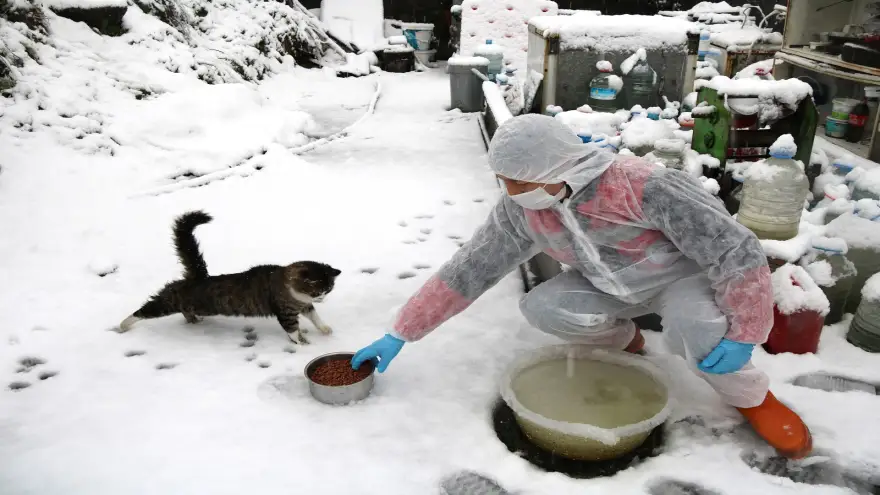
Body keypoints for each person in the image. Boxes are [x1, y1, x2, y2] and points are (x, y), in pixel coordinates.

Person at [351, 114, 812, 459]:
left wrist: (746, 331)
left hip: (678, 280)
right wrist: (401, 332)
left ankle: (753, 399)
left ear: (561, 166)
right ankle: (627, 343)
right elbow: (471, 267)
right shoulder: (523, 208)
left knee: (698, 329)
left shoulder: (642, 186)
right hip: (606, 286)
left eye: (519, 180)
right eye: (504, 180)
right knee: (543, 307)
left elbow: (734, 249)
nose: (511, 191)